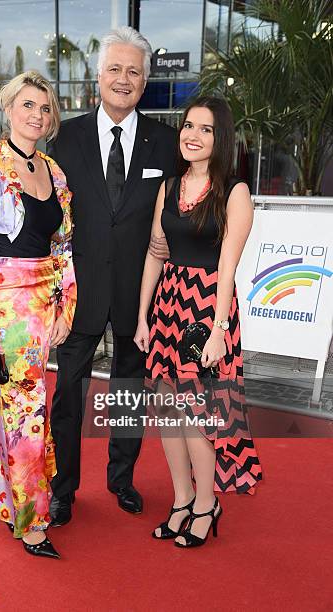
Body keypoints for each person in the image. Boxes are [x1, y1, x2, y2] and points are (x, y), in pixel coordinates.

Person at [48, 26, 177, 524]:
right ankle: (64, 488)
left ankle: (121, 480)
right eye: (115, 69)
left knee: (129, 392)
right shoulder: (64, 139)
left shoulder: (166, 143)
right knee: (67, 397)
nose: (124, 79)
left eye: (134, 72)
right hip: (78, 293)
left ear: (145, 84)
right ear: (98, 76)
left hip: (138, 295)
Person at [134, 96, 262, 548]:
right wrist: (142, 317)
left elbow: (227, 268)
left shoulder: (235, 192)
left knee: (195, 414)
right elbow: (155, 251)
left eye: (205, 129)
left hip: (204, 312)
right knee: (167, 412)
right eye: (189, 126)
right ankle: (182, 499)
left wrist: (217, 330)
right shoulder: (169, 187)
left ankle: (207, 504)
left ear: (220, 137)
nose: (193, 135)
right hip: (168, 308)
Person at [0, 70, 76, 559]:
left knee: (16, 406)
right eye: (28, 105)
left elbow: (65, 244)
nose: (37, 115)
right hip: (7, 305)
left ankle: (0, 494)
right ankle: (30, 521)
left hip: (46, 301)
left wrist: (67, 303)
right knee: (26, 408)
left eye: (45, 108)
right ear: (8, 109)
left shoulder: (55, 171)